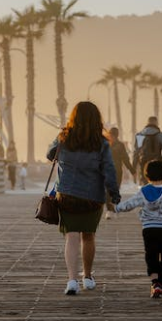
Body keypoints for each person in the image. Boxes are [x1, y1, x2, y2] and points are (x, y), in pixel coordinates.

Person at [46, 101, 120, 295]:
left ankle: (71, 280)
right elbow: (109, 170)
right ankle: (87, 277)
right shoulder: (101, 143)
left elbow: (49, 154)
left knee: (71, 236)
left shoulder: (64, 137)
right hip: (92, 196)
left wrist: (60, 143)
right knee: (88, 236)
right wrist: (114, 192)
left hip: (67, 194)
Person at [115, 160, 162, 298]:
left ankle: (155, 282)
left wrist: (117, 208)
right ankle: (161, 280)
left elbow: (131, 204)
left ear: (146, 175)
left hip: (148, 229)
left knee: (151, 254)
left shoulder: (143, 191)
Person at [105, 127, 135, 220]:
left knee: (115, 190)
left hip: (116, 171)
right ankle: (110, 210)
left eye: (111, 135)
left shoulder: (118, 145)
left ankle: (115, 208)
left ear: (114, 135)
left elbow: (125, 159)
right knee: (108, 191)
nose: (110, 136)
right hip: (108, 171)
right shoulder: (106, 144)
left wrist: (132, 170)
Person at [133, 116, 162, 184]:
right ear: (156, 123)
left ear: (148, 123)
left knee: (146, 184)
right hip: (157, 163)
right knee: (157, 183)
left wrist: (134, 168)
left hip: (144, 164)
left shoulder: (140, 135)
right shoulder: (161, 136)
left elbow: (136, 153)